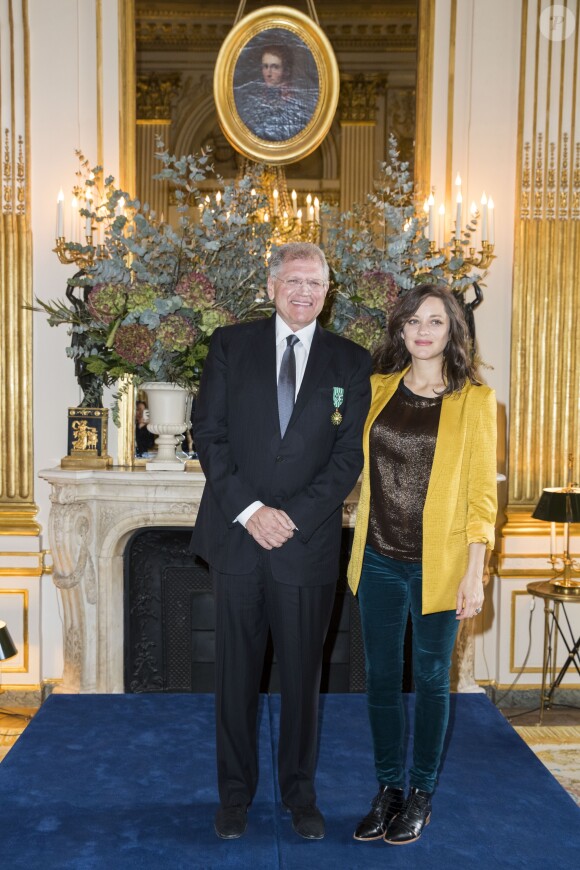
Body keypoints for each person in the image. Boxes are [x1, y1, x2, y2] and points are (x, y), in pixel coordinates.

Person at [190, 242, 371, 841]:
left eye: (315, 284)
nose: (304, 292)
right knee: (235, 678)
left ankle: (301, 796)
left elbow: (347, 459)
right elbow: (209, 434)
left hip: (306, 543)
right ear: (270, 286)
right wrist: (250, 511)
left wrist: (289, 517)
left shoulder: (351, 362)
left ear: (328, 291)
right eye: (293, 281)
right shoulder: (229, 345)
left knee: (302, 681)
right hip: (238, 540)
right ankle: (234, 797)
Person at [347, 283, 497, 846]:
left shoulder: (476, 401)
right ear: (400, 331)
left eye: (436, 321)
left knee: (432, 681)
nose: (423, 330)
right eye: (413, 321)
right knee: (382, 681)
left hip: (442, 565)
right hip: (379, 559)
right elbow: (339, 437)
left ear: (452, 330)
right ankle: (387, 789)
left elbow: (483, 496)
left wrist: (474, 571)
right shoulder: (375, 389)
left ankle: (421, 793)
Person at [234, 44, 317, 141]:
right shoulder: (252, 103)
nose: (268, 73)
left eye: (275, 67)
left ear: (286, 71)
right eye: (265, 66)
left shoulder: (299, 106)